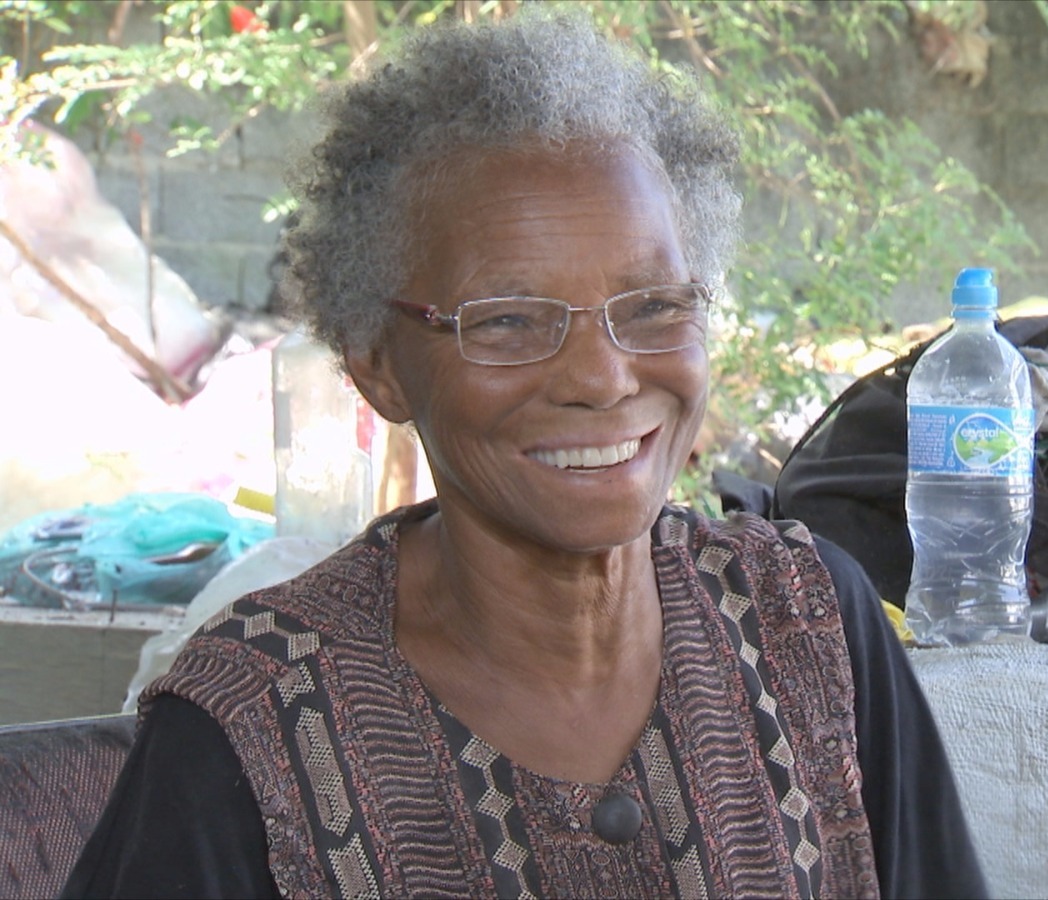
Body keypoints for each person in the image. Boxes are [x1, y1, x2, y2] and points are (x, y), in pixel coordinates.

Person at [63, 8, 986, 898]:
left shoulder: (810, 622)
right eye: (507, 320)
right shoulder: (252, 719)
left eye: (656, 305)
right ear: (377, 365)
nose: (603, 376)